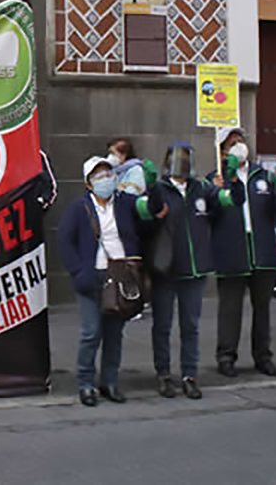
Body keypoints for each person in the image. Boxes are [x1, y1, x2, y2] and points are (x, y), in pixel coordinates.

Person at [57, 156, 164, 406]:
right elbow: (64, 240)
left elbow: (153, 210)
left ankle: (110, 381)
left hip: (121, 275)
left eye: (108, 173)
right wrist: (77, 271)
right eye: (98, 176)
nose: (105, 179)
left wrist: (154, 185)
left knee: (115, 333)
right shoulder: (78, 208)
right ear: (88, 183)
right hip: (91, 277)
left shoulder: (127, 203)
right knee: (91, 332)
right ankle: (85, 383)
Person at [145, 142, 244, 399]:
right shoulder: (162, 189)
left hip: (194, 268)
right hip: (166, 268)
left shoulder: (202, 188)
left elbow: (230, 202)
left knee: (191, 326)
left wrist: (232, 181)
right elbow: (149, 210)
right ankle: (164, 373)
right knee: (163, 326)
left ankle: (189, 374)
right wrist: (151, 185)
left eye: (187, 158)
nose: (183, 163)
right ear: (167, 162)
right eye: (179, 158)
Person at [211, 128, 276, 377]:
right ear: (223, 151)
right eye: (232, 143)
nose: (238, 146)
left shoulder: (264, 177)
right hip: (232, 252)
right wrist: (218, 188)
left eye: (241, 141)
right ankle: (226, 356)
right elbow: (209, 214)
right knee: (230, 310)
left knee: (263, 309)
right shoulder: (215, 179)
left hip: (262, 252)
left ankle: (263, 356)